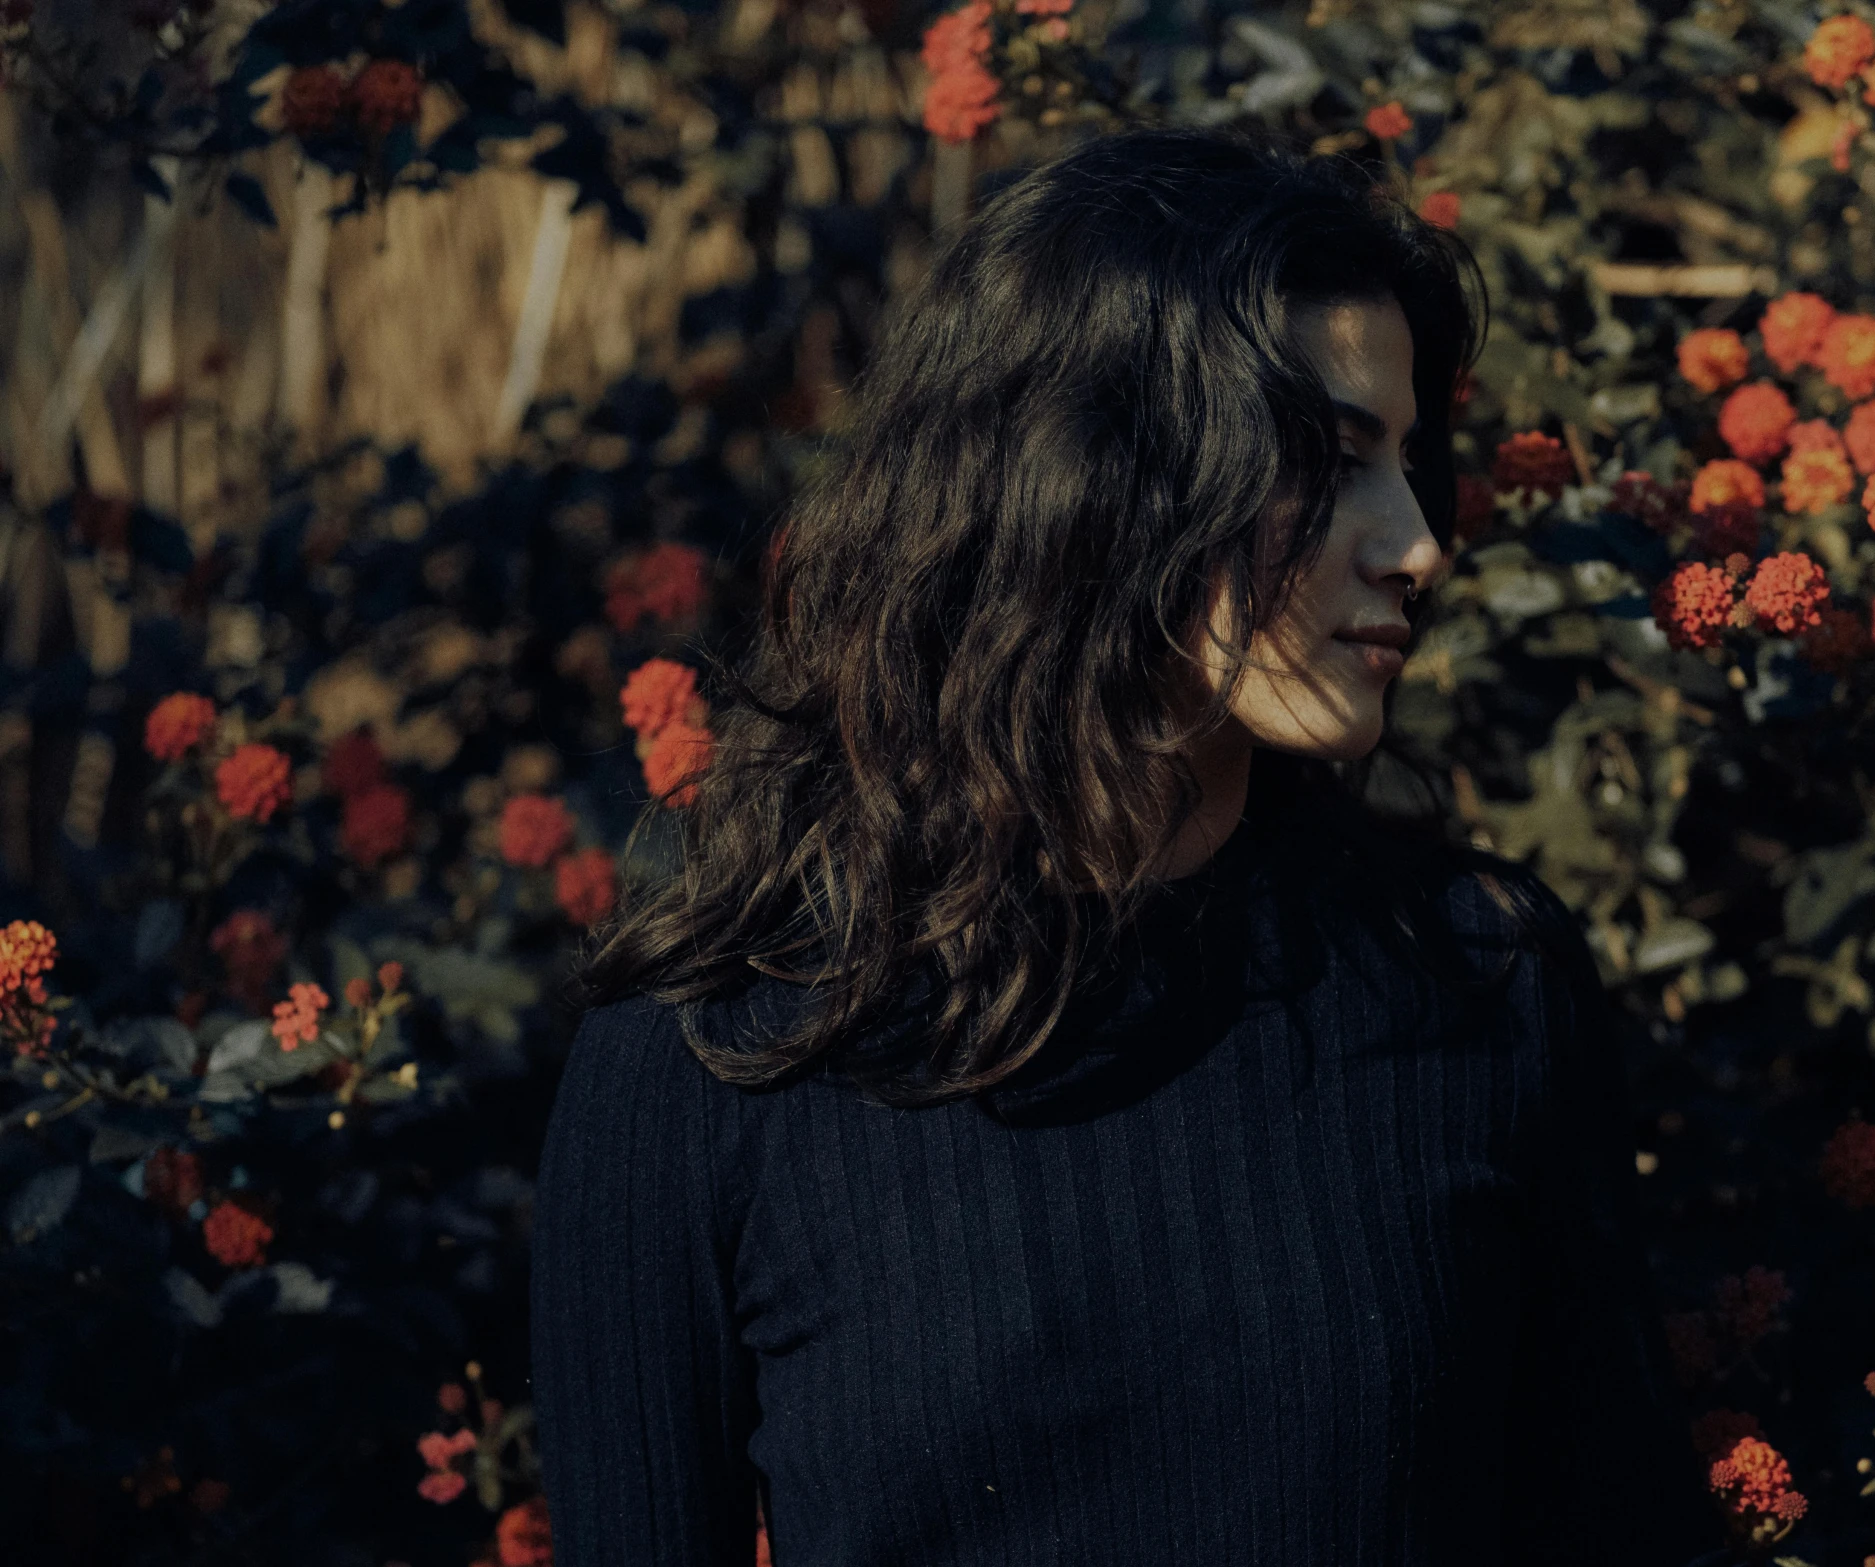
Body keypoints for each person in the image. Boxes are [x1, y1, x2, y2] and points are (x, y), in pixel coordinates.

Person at [531, 124, 1715, 1564]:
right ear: (1091, 480)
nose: (1416, 542)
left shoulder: (1480, 985)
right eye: (1332, 462)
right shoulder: (715, 1052)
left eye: (1407, 461)